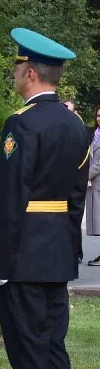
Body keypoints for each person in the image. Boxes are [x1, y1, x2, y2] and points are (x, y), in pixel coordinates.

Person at [0, 27, 88, 369]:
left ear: (30, 73)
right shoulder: (75, 125)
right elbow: (77, 200)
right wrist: (71, 250)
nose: (14, 76)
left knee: (27, 345)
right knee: (53, 343)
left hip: (24, 252)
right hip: (56, 251)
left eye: (17, 69)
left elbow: (11, 200)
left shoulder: (21, 124)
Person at [85, 105, 100, 266]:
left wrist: (86, 175)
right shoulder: (94, 134)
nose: (99, 119)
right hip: (94, 182)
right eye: (98, 116)